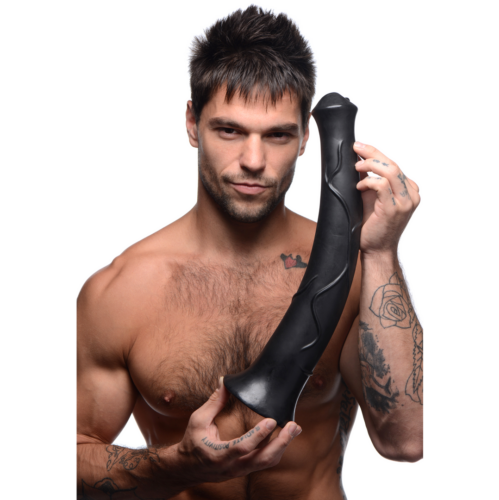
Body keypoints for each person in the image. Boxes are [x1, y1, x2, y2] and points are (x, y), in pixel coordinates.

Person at [75, 6, 424, 500]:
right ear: (192, 123)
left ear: (305, 137)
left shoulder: (351, 274)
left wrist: (381, 251)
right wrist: (172, 465)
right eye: (230, 130)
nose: (254, 161)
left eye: (277, 135)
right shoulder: (122, 292)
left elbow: (408, 439)